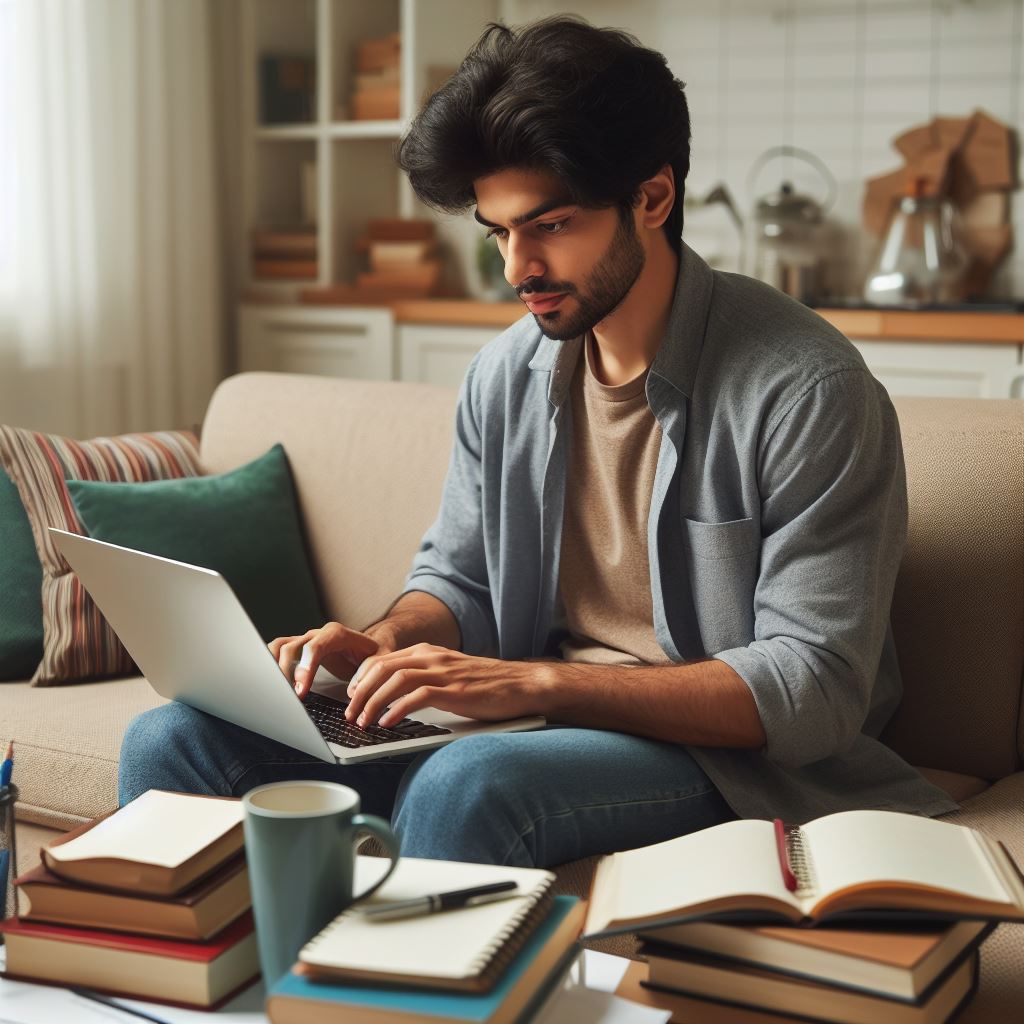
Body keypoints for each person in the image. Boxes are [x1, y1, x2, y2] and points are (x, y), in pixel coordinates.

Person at [119, 16, 955, 867]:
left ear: (652, 197)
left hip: (722, 761)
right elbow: (460, 579)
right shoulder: (504, 376)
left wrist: (536, 683)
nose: (517, 267)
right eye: (499, 231)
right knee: (173, 739)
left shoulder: (808, 390)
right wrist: (388, 641)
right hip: (527, 729)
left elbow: (813, 688)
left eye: (549, 225)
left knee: (471, 783)